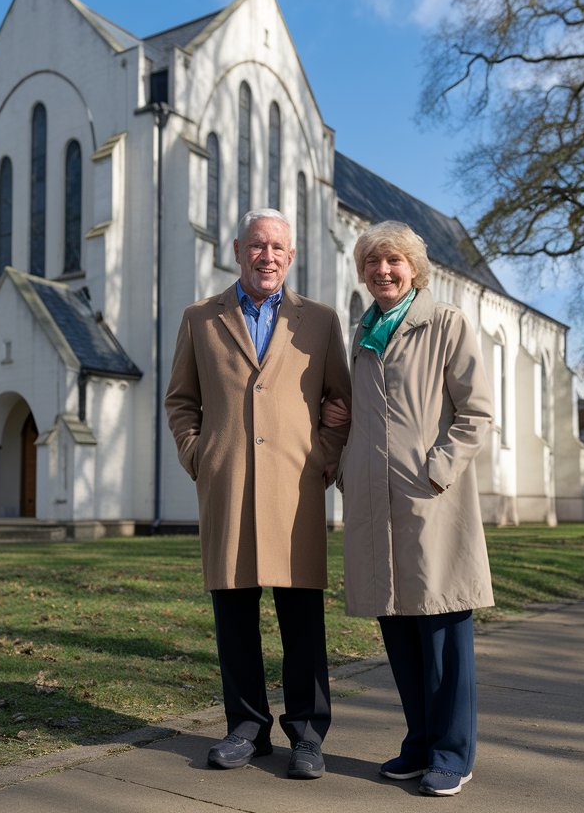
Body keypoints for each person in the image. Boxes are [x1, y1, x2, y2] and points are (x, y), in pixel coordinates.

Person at [165, 208, 351, 779]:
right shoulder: (201, 318)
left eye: (277, 248)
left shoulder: (319, 321)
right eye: (256, 246)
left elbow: (339, 401)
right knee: (235, 616)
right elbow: (180, 401)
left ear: (290, 258)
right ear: (238, 249)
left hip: (296, 490)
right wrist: (200, 455)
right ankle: (246, 728)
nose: (266, 256)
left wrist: (321, 456)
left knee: (302, 618)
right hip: (227, 487)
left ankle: (307, 735)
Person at [328, 220, 494, 797]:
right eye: (372, 263)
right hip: (375, 505)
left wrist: (437, 469)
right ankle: (420, 742)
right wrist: (347, 462)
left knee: (444, 627)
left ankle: (453, 752)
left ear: (414, 268)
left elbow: (476, 413)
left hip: (429, 501)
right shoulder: (364, 333)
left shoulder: (445, 322)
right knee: (397, 628)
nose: (383, 271)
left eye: (393, 261)